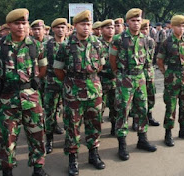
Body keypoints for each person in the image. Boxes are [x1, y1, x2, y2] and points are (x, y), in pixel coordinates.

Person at [0, 8, 49, 176]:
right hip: (7, 100)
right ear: (9, 25)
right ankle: (7, 170)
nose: (21, 27)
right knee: (7, 138)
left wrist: (33, 81)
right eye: (17, 23)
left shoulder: (36, 45)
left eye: (24, 23)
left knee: (36, 134)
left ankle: (38, 168)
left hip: (31, 98)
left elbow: (43, 68)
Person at [53, 10, 106, 175]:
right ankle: (73, 159)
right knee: (72, 127)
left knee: (95, 124)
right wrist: (72, 83)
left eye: (89, 24)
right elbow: (58, 70)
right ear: (75, 26)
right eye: (83, 24)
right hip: (73, 93)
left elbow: (102, 65)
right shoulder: (65, 46)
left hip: (94, 91)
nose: (86, 27)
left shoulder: (98, 44)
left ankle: (93, 154)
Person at [109, 8, 157, 161]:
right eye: (133, 21)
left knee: (142, 108)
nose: (136, 23)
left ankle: (142, 139)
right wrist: (118, 74)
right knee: (123, 110)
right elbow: (112, 59)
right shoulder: (118, 39)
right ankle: (122, 145)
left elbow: (149, 62)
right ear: (127, 22)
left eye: (138, 20)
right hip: (125, 77)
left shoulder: (147, 40)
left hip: (140, 78)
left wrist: (148, 79)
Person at [157, 15, 184, 147]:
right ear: (172, 27)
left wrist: (183, 72)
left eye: (183, 26)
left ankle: (183, 130)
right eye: (179, 26)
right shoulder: (166, 42)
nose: (181, 28)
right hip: (171, 77)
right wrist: (166, 73)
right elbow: (160, 61)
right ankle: (168, 134)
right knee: (171, 106)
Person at [44, 18, 68, 154]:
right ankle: (49, 140)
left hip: (67, 83)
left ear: (66, 29)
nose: (60, 30)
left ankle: (68, 140)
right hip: (51, 82)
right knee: (50, 112)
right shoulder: (46, 45)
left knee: (69, 113)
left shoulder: (70, 44)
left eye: (63, 27)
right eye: (57, 27)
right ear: (53, 29)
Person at [98, 19, 117, 136]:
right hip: (101, 79)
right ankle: (96, 131)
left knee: (115, 106)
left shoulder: (117, 43)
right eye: (107, 28)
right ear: (101, 30)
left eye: (112, 28)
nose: (110, 30)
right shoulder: (97, 44)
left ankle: (114, 127)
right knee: (99, 107)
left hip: (114, 80)